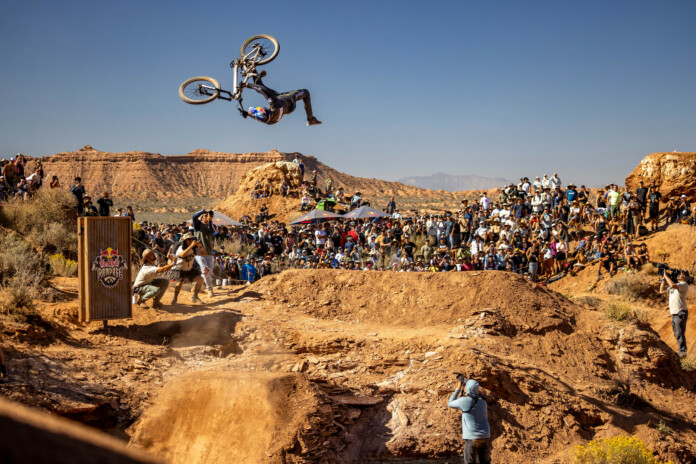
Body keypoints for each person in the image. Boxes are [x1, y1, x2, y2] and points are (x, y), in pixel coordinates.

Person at [241, 71, 321, 126]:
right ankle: (310, 119)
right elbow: (263, 90)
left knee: (258, 84)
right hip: (289, 99)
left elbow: (259, 117)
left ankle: (251, 67)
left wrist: (248, 114)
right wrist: (247, 85)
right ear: (267, 111)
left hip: (278, 98)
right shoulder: (274, 105)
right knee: (306, 92)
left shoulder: (269, 121)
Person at [448, 377, 491, 464]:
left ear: (467, 388)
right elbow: (477, 394)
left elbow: (450, 403)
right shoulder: (483, 401)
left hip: (472, 437)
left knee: (469, 462)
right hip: (485, 435)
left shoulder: (464, 401)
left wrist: (458, 388)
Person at [660, 270, 689, 358]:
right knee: (677, 333)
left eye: (681, 274)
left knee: (679, 333)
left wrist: (666, 276)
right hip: (675, 313)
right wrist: (663, 279)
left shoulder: (684, 284)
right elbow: (661, 291)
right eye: (678, 273)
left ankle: (682, 353)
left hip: (680, 312)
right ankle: (681, 352)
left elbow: (672, 285)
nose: (679, 275)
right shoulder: (675, 285)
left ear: (685, 277)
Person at [170, 233, 205, 304]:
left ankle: (195, 297)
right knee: (180, 282)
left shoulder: (194, 249)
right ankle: (175, 298)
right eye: (188, 239)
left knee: (200, 279)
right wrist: (191, 246)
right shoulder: (181, 248)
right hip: (179, 268)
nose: (191, 240)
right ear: (185, 241)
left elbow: (205, 254)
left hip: (188, 269)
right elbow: (182, 255)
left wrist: (201, 246)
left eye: (192, 239)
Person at [192, 209, 216, 298]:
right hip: (199, 252)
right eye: (205, 216)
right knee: (205, 269)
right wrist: (204, 211)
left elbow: (211, 231)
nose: (207, 217)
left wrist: (210, 221)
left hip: (209, 252)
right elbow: (194, 217)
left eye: (208, 216)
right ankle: (210, 289)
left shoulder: (212, 226)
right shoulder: (198, 225)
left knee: (209, 271)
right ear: (201, 217)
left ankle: (196, 287)